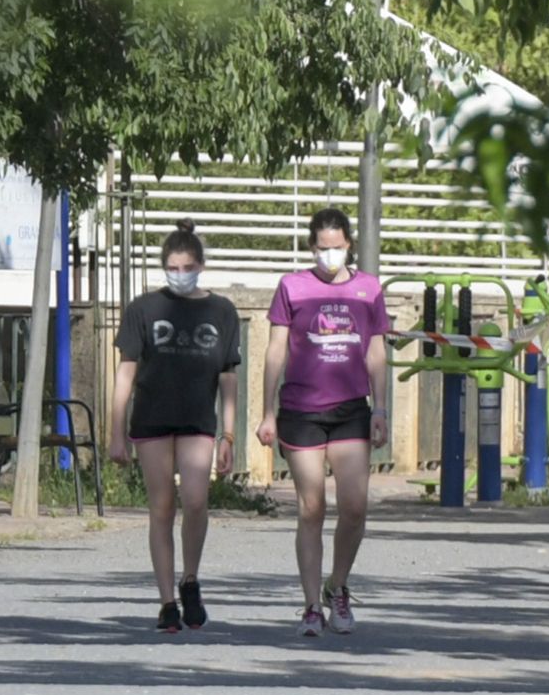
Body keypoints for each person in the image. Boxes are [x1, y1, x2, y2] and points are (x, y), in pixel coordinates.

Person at [257, 207, 390, 636]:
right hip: (301, 410)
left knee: (354, 508)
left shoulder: (369, 289)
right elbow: (276, 349)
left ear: (349, 244)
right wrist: (267, 411)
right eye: (322, 248)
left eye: (337, 247)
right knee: (311, 506)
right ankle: (312, 605)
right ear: (311, 247)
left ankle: (339, 586)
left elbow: (375, 351)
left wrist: (381, 408)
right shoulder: (292, 286)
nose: (329, 256)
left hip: (351, 408)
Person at [109, 219, 242, 633]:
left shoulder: (221, 311)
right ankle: (167, 600)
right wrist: (116, 432)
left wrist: (230, 434)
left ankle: (191, 579)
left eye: (187, 266)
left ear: (201, 265)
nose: (180, 273)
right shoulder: (143, 309)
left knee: (196, 499)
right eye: (172, 266)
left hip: (198, 420)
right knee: (162, 507)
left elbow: (228, 378)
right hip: (152, 419)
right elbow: (125, 374)